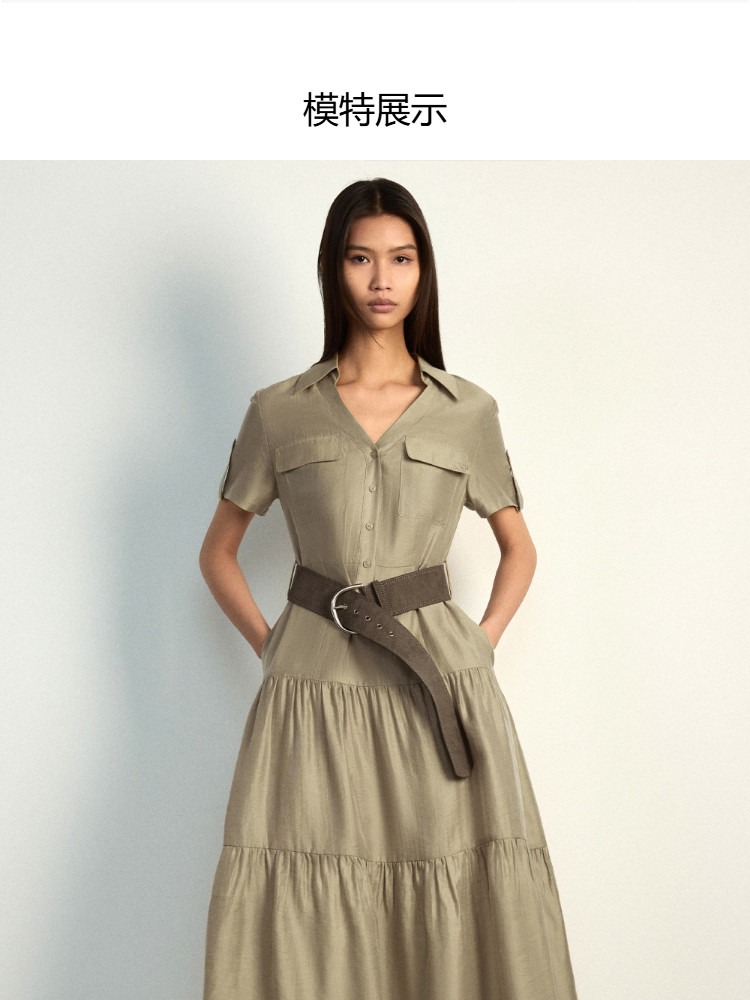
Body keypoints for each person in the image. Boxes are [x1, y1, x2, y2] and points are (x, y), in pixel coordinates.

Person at [199, 178, 578, 999]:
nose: (381, 279)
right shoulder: (280, 411)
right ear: (333, 270)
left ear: (423, 272)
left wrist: (477, 645)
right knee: (308, 879)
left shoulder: (466, 410)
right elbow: (219, 552)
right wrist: (276, 647)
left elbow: (518, 549)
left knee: (448, 875)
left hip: (435, 683)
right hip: (313, 688)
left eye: (401, 259)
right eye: (361, 258)